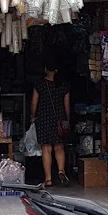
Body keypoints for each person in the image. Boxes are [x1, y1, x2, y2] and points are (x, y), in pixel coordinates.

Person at [30, 57, 70, 187]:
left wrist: (32, 116)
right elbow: (67, 105)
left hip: (44, 118)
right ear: (57, 70)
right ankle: (61, 170)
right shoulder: (63, 85)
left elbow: (34, 103)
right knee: (59, 146)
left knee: (46, 148)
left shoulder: (40, 84)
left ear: (45, 69)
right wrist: (67, 119)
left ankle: (48, 179)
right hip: (59, 118)